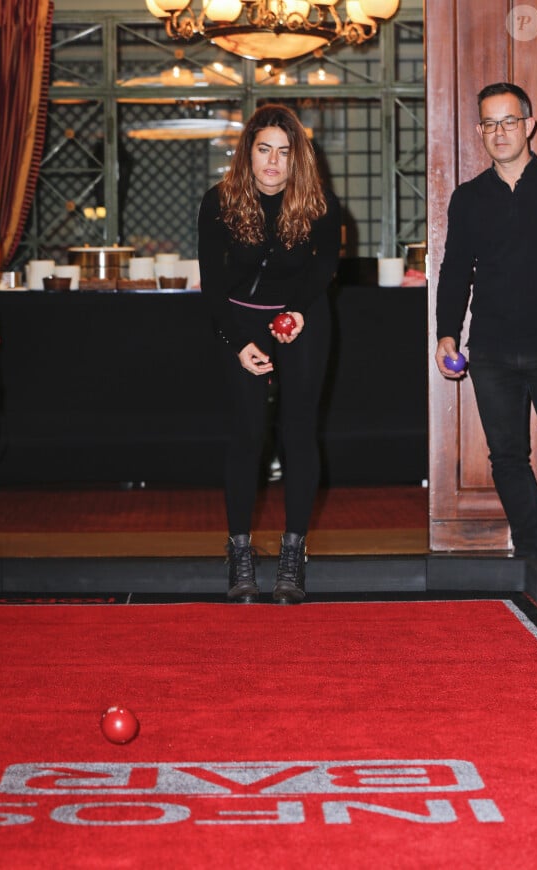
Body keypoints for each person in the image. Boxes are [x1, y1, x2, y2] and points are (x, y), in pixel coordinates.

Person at [198, 103, 341, 603]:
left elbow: (324, 268)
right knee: (248, 433)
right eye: (264, 150)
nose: (273, 162)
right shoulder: (217, 202)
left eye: (284, 152)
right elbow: (212, 285)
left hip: (302, 318)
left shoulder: (319, 204)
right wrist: (240, 343)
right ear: (248, 153)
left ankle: (292, 554)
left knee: (298, 430)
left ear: (297, 157)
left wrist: (299, 311)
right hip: (238, 321)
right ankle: (240, 553)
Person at [435, 81, 537, 558]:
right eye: (490, 123)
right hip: (491, 351)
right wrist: (445, 333)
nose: (500, 132)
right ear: (480, 130)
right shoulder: (468, 197)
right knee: (505, 457)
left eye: (509, 121)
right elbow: (455, 269)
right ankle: (533, 552)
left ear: (529, 126)